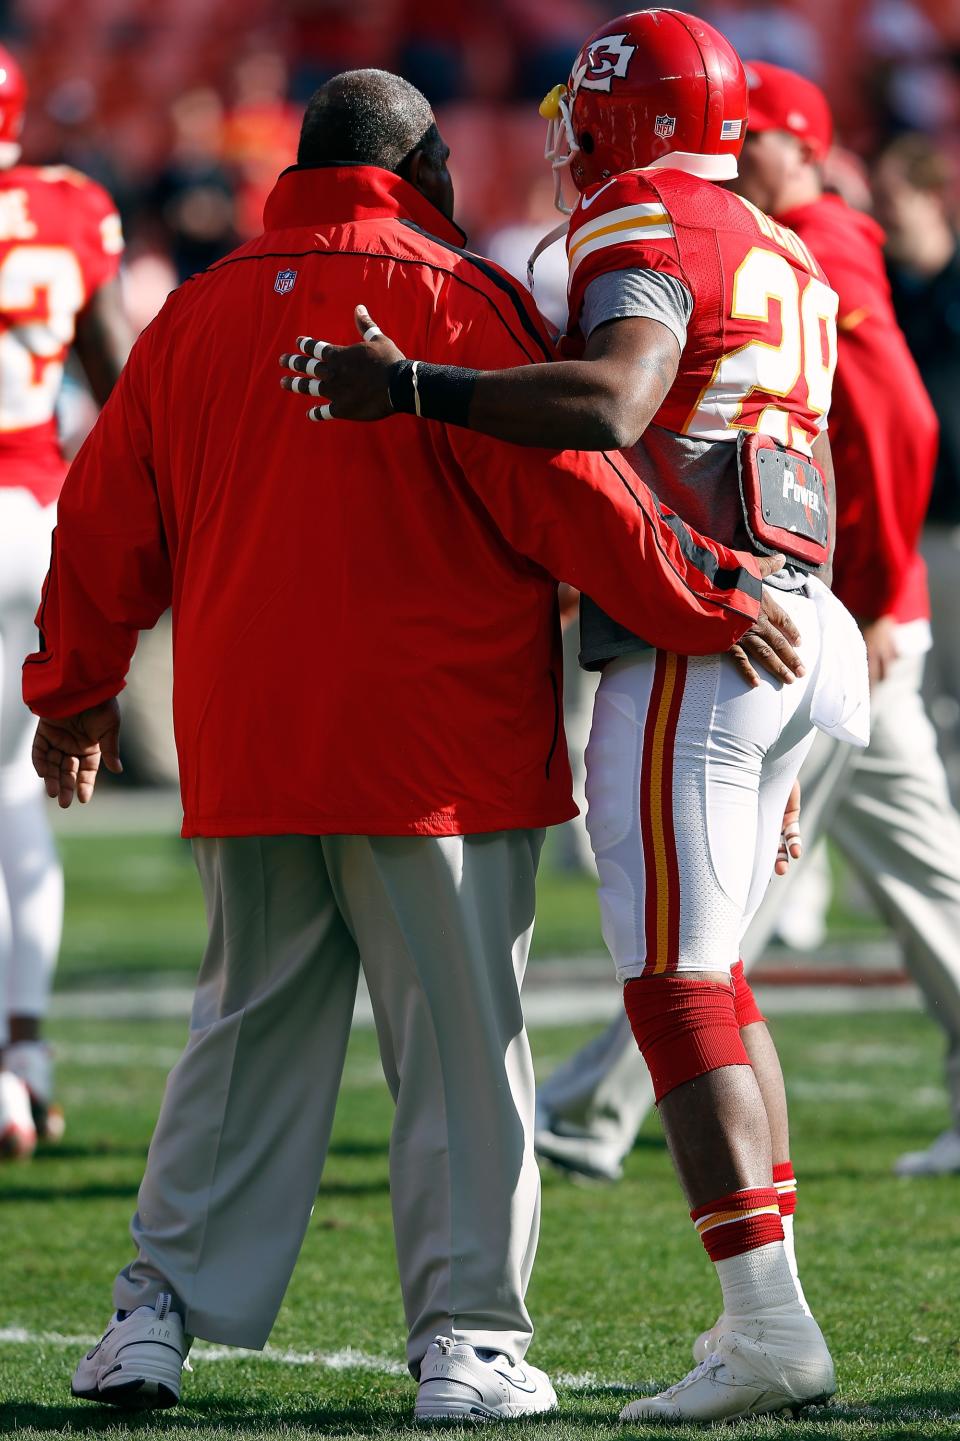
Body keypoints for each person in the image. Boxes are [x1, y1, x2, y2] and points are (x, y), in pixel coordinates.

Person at [22, 68, 790, 1422]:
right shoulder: (455, 297)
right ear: (429, 164)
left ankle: (151, 1317)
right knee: (459, 1054)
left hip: (252, 743)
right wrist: (713, 592)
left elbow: (100, 520)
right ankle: (469, 1343)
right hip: (440, 753)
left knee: (240, 1042)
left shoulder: (197, 312)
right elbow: (581, 498)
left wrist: (76, 691)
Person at [281, 13, 870, 1422]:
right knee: (710, 978)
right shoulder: (786, 243)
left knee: (674, 985)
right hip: (807, 626)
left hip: (709, 636)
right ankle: (770, 1316)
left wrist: (412, 388)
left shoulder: (640, 219)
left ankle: (768, 1322)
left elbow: (618, 402)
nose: (561, 139)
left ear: (622, 120)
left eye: (578, 114)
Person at [533, 61, 960, 1188]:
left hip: (741, 614)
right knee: (725, 956)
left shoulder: (714, 225)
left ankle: (748, 1288)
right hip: (791, 608)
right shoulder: (792, 246)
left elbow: (890, 424)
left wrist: (870, 589)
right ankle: (740, 1266)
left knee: (690, 966)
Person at [0, 45, 131, 1159]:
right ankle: (24, 1054)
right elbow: (120, 383)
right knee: (12, 798)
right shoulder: (70, 209)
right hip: (33, 521)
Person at [873, 136, 960, 794]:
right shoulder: (874, 283)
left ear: (932, 197)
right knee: (918, 697)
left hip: (955, 518)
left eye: (894, 197)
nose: (883, 211)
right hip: (905, 522)